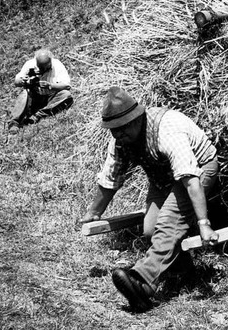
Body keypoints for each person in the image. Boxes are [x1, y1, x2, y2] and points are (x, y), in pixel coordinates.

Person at [78, 86, 220, 311]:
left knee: (169, 222)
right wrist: (94, 212)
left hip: (198, 169)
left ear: (136, 120)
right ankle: (187, 273)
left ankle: (142, 282)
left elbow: (191, 179)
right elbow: (111, 177)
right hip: (163, 177)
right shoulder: (121, 140)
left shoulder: (167, 130)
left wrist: (204, 224)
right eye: (113, 130)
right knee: (151, 230)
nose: (118, 136)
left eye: (122, 130)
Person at [8, 49, 73, 134]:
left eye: (46, 66)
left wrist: (50, 85)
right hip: (34, 97)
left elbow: (67, 85)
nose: (44, 69)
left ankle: (38, 115)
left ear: (50, 61)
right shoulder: (30, 64)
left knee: (66, 95)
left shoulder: (57, 65)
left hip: (51, 97)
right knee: (24, 94)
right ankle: (14, 123)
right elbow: (16, 82)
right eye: (41, 67)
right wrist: (23, 81)